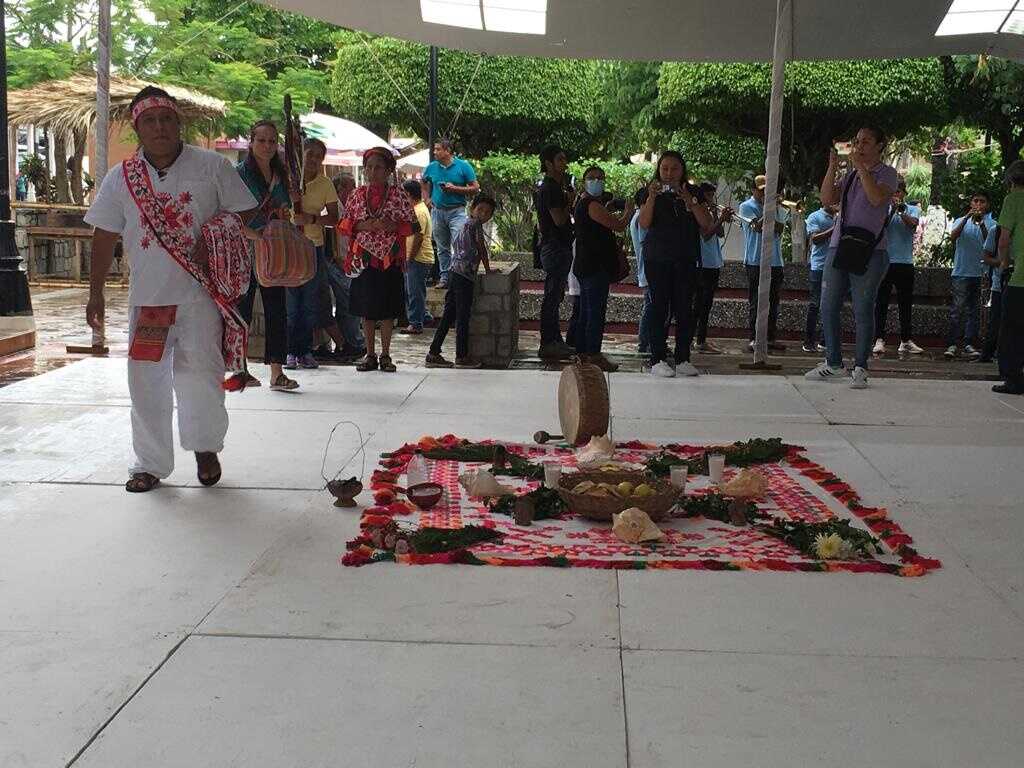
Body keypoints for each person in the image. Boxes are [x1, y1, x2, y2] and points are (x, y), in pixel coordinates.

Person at [84, 86, 258, 493]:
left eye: (166, 119)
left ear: (179, 123)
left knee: (201, 375)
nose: (159, 127)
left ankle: (204, 448)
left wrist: (216, 229)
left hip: (201, 297)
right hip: (148, 302)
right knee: (145, 382)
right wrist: (95, 293)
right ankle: (149, 463)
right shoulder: (120, 178)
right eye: (150, 121)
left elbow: (245, 207)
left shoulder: (212, 166)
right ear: (137, 127)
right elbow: (104, 234)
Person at [805, 126, 899, 389]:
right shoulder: (851, 175)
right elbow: (826, 198)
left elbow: (876, 198)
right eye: (857, 141)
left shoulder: (887, 173)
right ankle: (833, 362)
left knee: (862, 308)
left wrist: (860, 167)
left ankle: (860, 366)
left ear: (880, 145)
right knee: (827, 303)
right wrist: (833, 167)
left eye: (866, 141)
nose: (860, 146)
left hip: (871, 249)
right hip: (840, 244)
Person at [339, 146, 417, 373]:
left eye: (379, 167)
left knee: (387, 309)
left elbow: (414, 225)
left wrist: (393, 226)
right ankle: (369, 353)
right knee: (367, 308)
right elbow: (344, 225)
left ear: (389, 170)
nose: (373, 172)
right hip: (363, 259)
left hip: (390, 259)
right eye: (369, 167)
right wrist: (364, 225)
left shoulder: (399, 195)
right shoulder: (356, 195)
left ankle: (385, 354)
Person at [637, 150, 714, 378]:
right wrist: (651, 197)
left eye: (674, 169)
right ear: (659, 170)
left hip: (686, 258)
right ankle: (657, 358)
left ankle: (682, 357)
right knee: (658, 306)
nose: (669, 173)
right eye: (665, 169)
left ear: (682, 171)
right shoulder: (648, 192)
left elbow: (707, 225)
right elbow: (644, 223)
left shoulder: (694, 193)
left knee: (684, 308)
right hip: (657, 258)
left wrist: (689, 201)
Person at [235, 120, 299, 392]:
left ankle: (277, 371)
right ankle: (239, 367)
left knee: (277, 309)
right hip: (246, 247)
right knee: (242, 310)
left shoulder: (280, 175)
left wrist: (285, 213)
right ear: (251, 142)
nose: (267, 146)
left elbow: (288, 209)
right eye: (262, 140)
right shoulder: (239, 174)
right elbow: (231, 212)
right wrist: (252, 232)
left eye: (272, 141)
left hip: (273, 248)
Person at [571, 166, 634, 372]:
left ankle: (582, 352)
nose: (596, 181)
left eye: (600, 178)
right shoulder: (590, 204)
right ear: (584, 181)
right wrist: (628, 211)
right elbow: (618, 225)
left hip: (586, 264)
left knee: (586, 312)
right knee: (594, 313)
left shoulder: (586, 203)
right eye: (592, 178)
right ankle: (593, 354)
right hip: (594, 266)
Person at [425, 193, 496, 369]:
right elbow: (481, 249)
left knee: (449, 315)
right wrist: (487, 269)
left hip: (454, 273)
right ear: (473, 209)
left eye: (487, 212)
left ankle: (433, 353)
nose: (482, 214)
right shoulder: (474, 225)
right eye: (480, 210)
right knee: (463, 316)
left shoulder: (465, 223)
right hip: (464, 277)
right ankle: (462, 356)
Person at [286, 138, 340, 369]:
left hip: (313, 247)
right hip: (288, 246)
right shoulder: (287, 180)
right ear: (301, 154)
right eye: (310, 154)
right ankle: (289, 351)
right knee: (290, 303)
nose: (314, 159)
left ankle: (305, 350)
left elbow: (335, 218)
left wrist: (312, 218)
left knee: (309, 301)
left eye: (319, 156)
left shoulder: (326, 183)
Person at [535, 144, 577, 359]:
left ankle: (554, 340)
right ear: (549, 163)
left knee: (555, 295)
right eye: (560, 159)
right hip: (555, 247)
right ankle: (548, 342)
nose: (564, 163)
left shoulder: (555, 187)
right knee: (552, 296)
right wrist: (569, 205)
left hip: (556, 246)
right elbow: (559, 220)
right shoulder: (550, 189)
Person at [873, 179, 924, 355]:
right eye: (893, 192)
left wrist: (900, 212)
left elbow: (913, 225)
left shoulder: (913, 209)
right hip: (885, 261)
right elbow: (881, 226)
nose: (896, 195)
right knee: (881, 302)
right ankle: (879, 339)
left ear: (904, 193)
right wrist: (892, 209)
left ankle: (905, 340)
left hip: (905, 262)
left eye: (899, 191)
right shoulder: (882, 208)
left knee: (905, 302)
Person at [320, 173, 366, 362]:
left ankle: (349, 341)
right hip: (334, 261)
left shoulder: (351, 208)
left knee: (347, 302)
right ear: (339, 190)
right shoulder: (332, 210)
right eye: (350, 186)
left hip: (347, 260)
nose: (353, 189)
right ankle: (351, 342)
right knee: (346, 300)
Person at [739, 174, 788, 351]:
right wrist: (769, 208)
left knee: (773, 302)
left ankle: (770, 338)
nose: (765, 194)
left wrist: (773, 207)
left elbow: (779, 228)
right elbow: (758, 227)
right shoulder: (746, 207)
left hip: (775, 261)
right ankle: (754, 337)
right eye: (762, 191)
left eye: (769, 191)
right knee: (756, 301)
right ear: (754, 190)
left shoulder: (778, 208)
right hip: (755, 260)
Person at [421, 138, 478, 289]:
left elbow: (475, 188)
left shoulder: (463, 166)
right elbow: (423, 182)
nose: (435, 152)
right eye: (434, 149)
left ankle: (459, 277)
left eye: (438, 149)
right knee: (442, 247)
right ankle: (445, 278)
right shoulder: (431, 167)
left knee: (460, 245)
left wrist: (455, 189)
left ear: (447, 151)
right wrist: (427, 198)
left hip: (457, 211)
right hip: (438, 211)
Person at [944, 192, 996, 359]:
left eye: (982, 201)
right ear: (970, 203)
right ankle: (952, 344)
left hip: (981, 272)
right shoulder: (960, 220)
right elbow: (953, 237)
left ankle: (968, 344)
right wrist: (967, 218)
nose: (978, 204)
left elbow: (992, 244)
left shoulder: (992, 223)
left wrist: (981, 224)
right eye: (976, 201)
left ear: (987, 204)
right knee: (957, 309)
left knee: (974, 311)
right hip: (961, 271)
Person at [993, 160, 1024, 395]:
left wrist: (1004, 265)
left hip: (1020, 277)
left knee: (1012, 329)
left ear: (1012, 181)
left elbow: (1003, 240)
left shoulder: (1013, 200)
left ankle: (1013, 379)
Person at [692, 182, 732, 354]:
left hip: (714, 262)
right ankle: (696, 339)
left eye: (712, 195)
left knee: (706, 304)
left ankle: (701, 339)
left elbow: (720, 234)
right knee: (699, 304)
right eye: (709, 195)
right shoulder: (698, 213)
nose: (711, 199)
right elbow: (706, 235)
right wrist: (720, 218)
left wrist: (718, 217)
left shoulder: (709, 211)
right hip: (702, 264)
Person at [400, 179, 435, 335]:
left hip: (418, 258)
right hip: (418, 258)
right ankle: (424, 316)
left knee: (414, 291)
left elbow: (418, 237)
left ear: (408, 194)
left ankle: (415, 323)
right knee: (413, 290)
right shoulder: (419, 209)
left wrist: (410, 258)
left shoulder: (418, 211)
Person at [803, 202, 838, 353]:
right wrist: (834, 228)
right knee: (815, 304)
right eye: (833, 201)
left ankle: (825, 341)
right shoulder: (815, 216)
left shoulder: (839, 217)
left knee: (831, 305)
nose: (836, 204)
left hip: (835, 267)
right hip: (818, 266)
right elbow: (815, 239)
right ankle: (808, 341)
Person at [978, 223, 1006, 364]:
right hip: (999, 283)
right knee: (995, 321)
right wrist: (1001, 263)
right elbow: (986, 257)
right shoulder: (996, 231)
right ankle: (987, 354)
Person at [629, 187, 652, 354]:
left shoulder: (637, 217)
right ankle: (645, 343)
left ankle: (646, 342)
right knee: (650, 307)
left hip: (647, 270)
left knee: (650, 306)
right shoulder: (641, 219)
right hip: (649, 269)